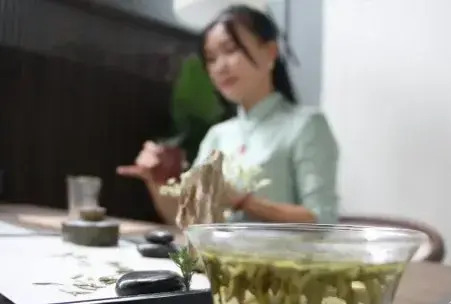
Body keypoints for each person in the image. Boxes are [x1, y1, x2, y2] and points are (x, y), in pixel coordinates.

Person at [117, 5, 339, 226]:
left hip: (280, 251)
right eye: (211, 59)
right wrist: (156, 181)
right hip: (218, 250)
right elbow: (190, 220)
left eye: (231, 49)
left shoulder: (306, 125)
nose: (220, 67)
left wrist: (244, 201)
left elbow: (321, 219)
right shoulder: (218, 135)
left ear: (270, 52)